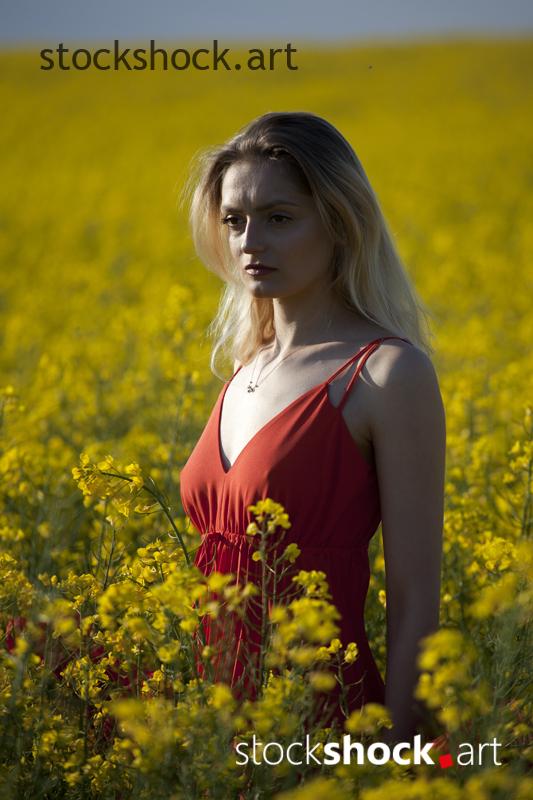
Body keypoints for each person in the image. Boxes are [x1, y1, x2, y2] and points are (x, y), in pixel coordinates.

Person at [179, 111, 445, 741]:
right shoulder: (246, 364)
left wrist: (391, 761)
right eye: (234, 221)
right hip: (205, 728)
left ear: (339, 222)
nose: (249, 242)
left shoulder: (387, 373)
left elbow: (414, 605)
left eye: (278, 218)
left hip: (314, 724)